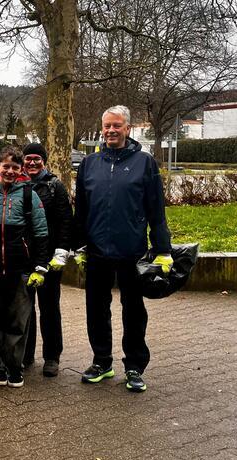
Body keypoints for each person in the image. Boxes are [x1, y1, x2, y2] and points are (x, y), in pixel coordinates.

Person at [74, 105, 172, 393]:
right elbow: (81, 209)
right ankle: (102, 361)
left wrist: (163, 249)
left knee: (133, 311)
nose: (111, 131)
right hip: (96, 251)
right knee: (96, 309)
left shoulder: (144, 163)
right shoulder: (90, 164)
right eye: (107, 126)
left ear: (128, 129)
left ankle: (134, 366)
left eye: (117, 126)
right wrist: (74, 244)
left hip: (133, 251)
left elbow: (156, 210)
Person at [0, 148, 50, 388]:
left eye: (15, 167)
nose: (10, 171)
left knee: (18, 321)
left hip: (21, 269)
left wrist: (40, 266)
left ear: (21, 170)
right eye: (6, 166)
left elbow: (41, 233)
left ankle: (14, 366)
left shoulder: (29, 195)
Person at [21, 143, 73, 377]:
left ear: (44, 161)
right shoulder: (17, 185)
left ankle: (52, 356)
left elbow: (65, 220)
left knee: (49, 307)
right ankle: (26, 353)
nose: (32, 163)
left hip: (49, 256)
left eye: (37, 159)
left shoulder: (55, 186)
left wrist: (62, 250)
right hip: (23, 257)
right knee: (25, 307)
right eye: (28, 159)